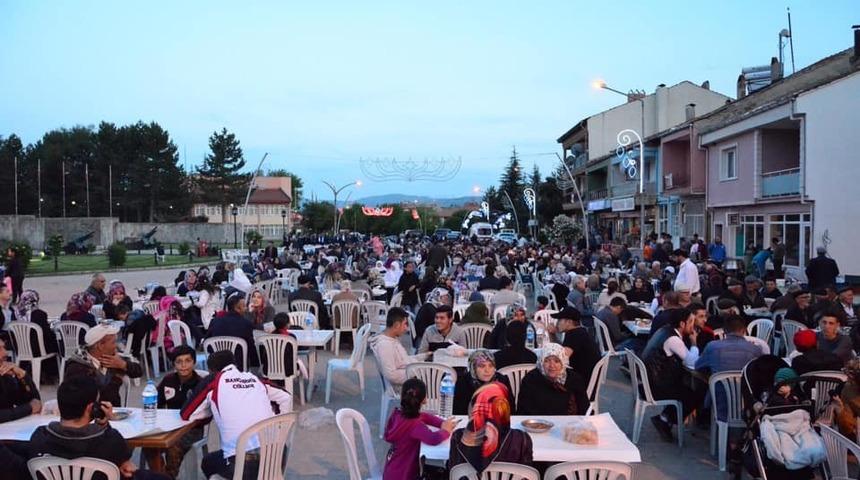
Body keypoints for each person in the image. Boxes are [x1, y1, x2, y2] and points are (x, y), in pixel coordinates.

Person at [30, 375, 170, 480]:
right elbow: (125, 461)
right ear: (91, 408)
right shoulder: (109, 441)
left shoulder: (40, 437)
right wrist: (104, 424)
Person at [181, 350, 292, 480]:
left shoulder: (214, 381)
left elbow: (187, 414)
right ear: (234, 364)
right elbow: (286, 397)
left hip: (244, 466)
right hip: (277, 458)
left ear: (212, 370)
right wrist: (277, 425)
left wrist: (211, 409)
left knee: (207, 462)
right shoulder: (254, 378)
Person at [643, 307, 703, 442]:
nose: (694, 325)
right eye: (691, 322)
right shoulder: (673, 339)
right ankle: (665, 419)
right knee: (695, 394)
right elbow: (691, 362)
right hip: (657, 386)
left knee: (686, 389)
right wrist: (694, 343)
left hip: (650, 380)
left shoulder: (664, 330)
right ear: (682, 324)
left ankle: (665, 418)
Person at [448, 382, 533, 474]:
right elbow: (527, 474)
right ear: (505, 408)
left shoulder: (458, 437)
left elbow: (452, 471)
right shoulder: (522, 439)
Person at [383, 377, 457, 480]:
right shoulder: (416, 426)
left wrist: (442, 423)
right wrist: (446, 430)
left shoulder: (397, 414)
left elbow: (424, 416)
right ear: (424, 400)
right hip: (405, 475)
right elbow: (433, 439)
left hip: (391, 472)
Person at [152, 345, 204, 478]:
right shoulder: (168, 380)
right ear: (174, 364)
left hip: (192, 428)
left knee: (173, 447)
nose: (183, 365)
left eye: (188, 361)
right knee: (149, 444)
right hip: (169, 426)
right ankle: (160, 474)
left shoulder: (200, 383)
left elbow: (205, 413)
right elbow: (157, 402)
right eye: (179, 362)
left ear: (194, 362)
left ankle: (168, 476)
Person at [64, 324, 143, 407]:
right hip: (90, 415)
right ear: (100, 346)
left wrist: (123, 365)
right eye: (113, 342)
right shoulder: (77, 367)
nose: (116, 345)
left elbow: (138, 372)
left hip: (113, 410)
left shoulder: (112, 358)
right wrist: (115, 380)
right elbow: (89, 398)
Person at [516, 343, 589, 415]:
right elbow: (523, 412)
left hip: (569, 425)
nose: (552, 365)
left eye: (557, 361)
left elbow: (585, 410)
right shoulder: (530, 380)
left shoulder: (575, 379)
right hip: (538, 424)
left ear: (563, 363)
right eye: (547, 361)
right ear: (541, 362)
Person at [369, 307, 426, 391]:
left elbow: (404, 360)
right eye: (405, 324)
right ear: (396, 325)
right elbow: (391, 375)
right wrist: (417, 372)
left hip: (410, 376)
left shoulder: (392, 339)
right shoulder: (385, 345)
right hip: (404, 386)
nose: (406, 328)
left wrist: (424, 357)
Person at [207, 292, 258, 370]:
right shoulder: (246, 323)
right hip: (238, 365)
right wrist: (255, 365)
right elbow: (251, 347)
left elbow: (207, 343)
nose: (246, 308)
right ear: (237, 308)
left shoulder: (215, 321)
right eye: (244, 306)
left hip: (216, 365)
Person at [452, 350, 514, 415]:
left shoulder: (502, 380)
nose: (487, 370)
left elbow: (511, 409)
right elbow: (458, 411)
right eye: (482, 366)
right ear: (473, 368)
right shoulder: (463, 382)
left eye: (491, 366)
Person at [550, 307, 600, 381]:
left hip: (580, 381)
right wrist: (552, 334)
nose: (557, 323)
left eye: (559, 320)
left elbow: (561, 358)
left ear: (569, 322)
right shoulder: (579, 331)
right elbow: (561, 349)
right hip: (583, 375)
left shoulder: (574, 335)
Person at [0, 338, 41, 423]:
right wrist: (28, 408)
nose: (5, 353)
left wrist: (22, 375)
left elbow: (34, 401)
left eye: (4, 348)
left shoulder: (5, 375)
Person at [835, 358, 860, 438]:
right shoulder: (848, 390)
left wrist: (840, 410)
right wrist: (840, 410)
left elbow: (848, 430)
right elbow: (848, 430)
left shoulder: (848, 390)